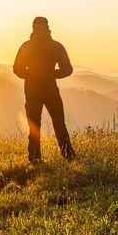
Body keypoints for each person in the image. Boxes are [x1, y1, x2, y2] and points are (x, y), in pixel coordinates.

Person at [12, 16, 74, 163]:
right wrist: (51, 74)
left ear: (33, 28)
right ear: (47, 28)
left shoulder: (26, 46)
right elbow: (67, 69)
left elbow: (17, 69)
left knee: (34, 125)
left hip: (32, 91)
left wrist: (32, 75)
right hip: (51, 89)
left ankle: (34, 158)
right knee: (59, 123)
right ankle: (68, 156)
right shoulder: (56, 46)